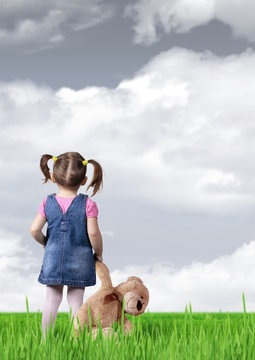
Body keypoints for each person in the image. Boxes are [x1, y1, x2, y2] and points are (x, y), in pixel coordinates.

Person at [30, 151, 103, 338]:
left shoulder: (47, 202)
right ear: (84, 180)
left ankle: (45, 341)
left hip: (53, 259)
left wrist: (46, 242)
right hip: (81, 260)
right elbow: (93, 233)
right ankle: (76, 340)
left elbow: (34, 230)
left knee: (52, 300)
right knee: (75, 301)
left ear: (53, 177)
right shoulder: (88, 204)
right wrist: (99, 253)